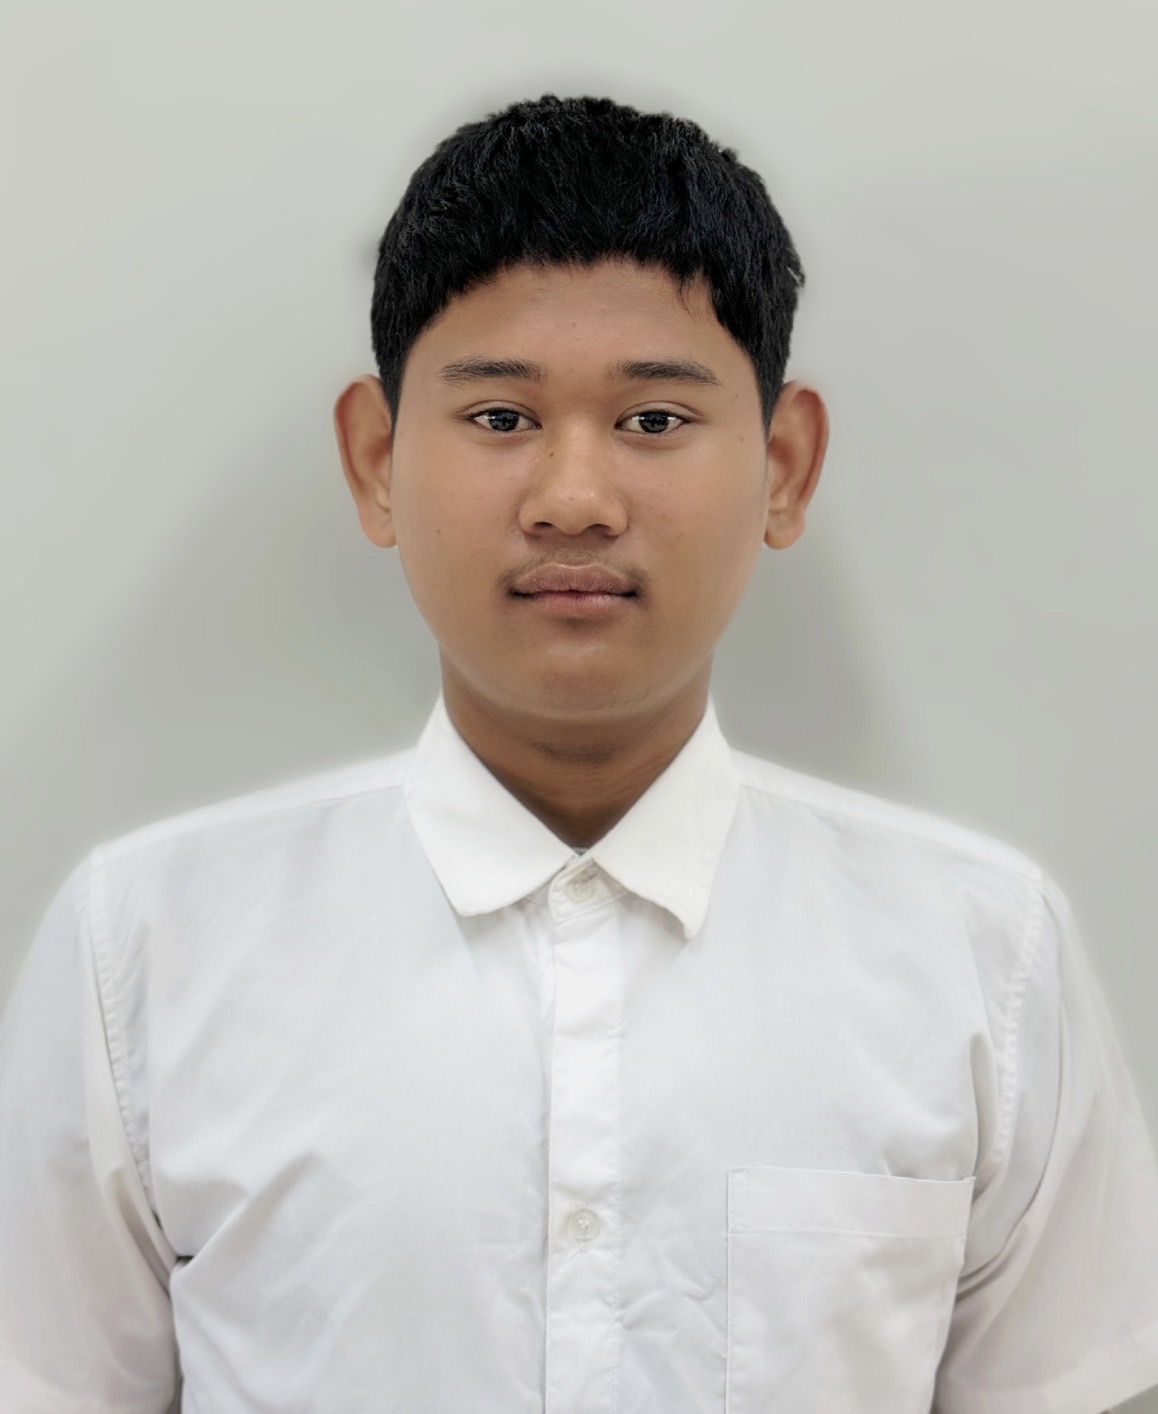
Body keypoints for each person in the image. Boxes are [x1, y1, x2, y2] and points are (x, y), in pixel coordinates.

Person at [1, 92, 1156, 1414]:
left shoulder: (982, 958)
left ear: (784, 467)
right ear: (376, 461)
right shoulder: (146, 948)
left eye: (653, 420)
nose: (573, 499)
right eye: (500, 417)